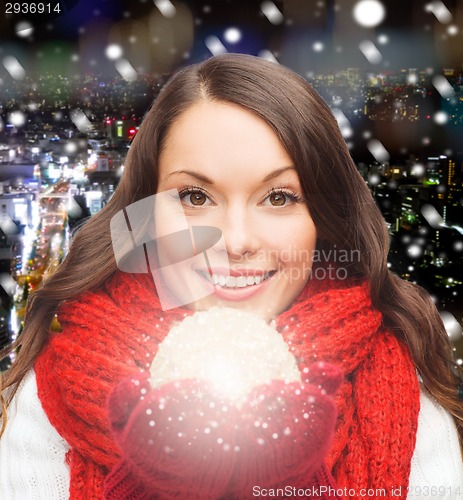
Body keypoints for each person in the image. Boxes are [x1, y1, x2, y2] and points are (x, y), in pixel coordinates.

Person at [1, 53, 462, 499]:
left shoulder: (413, 408)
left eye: (279, 198)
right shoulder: (45, 405)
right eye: (195, 197)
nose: (235, 241)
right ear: (144, 214)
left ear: (324, 220)